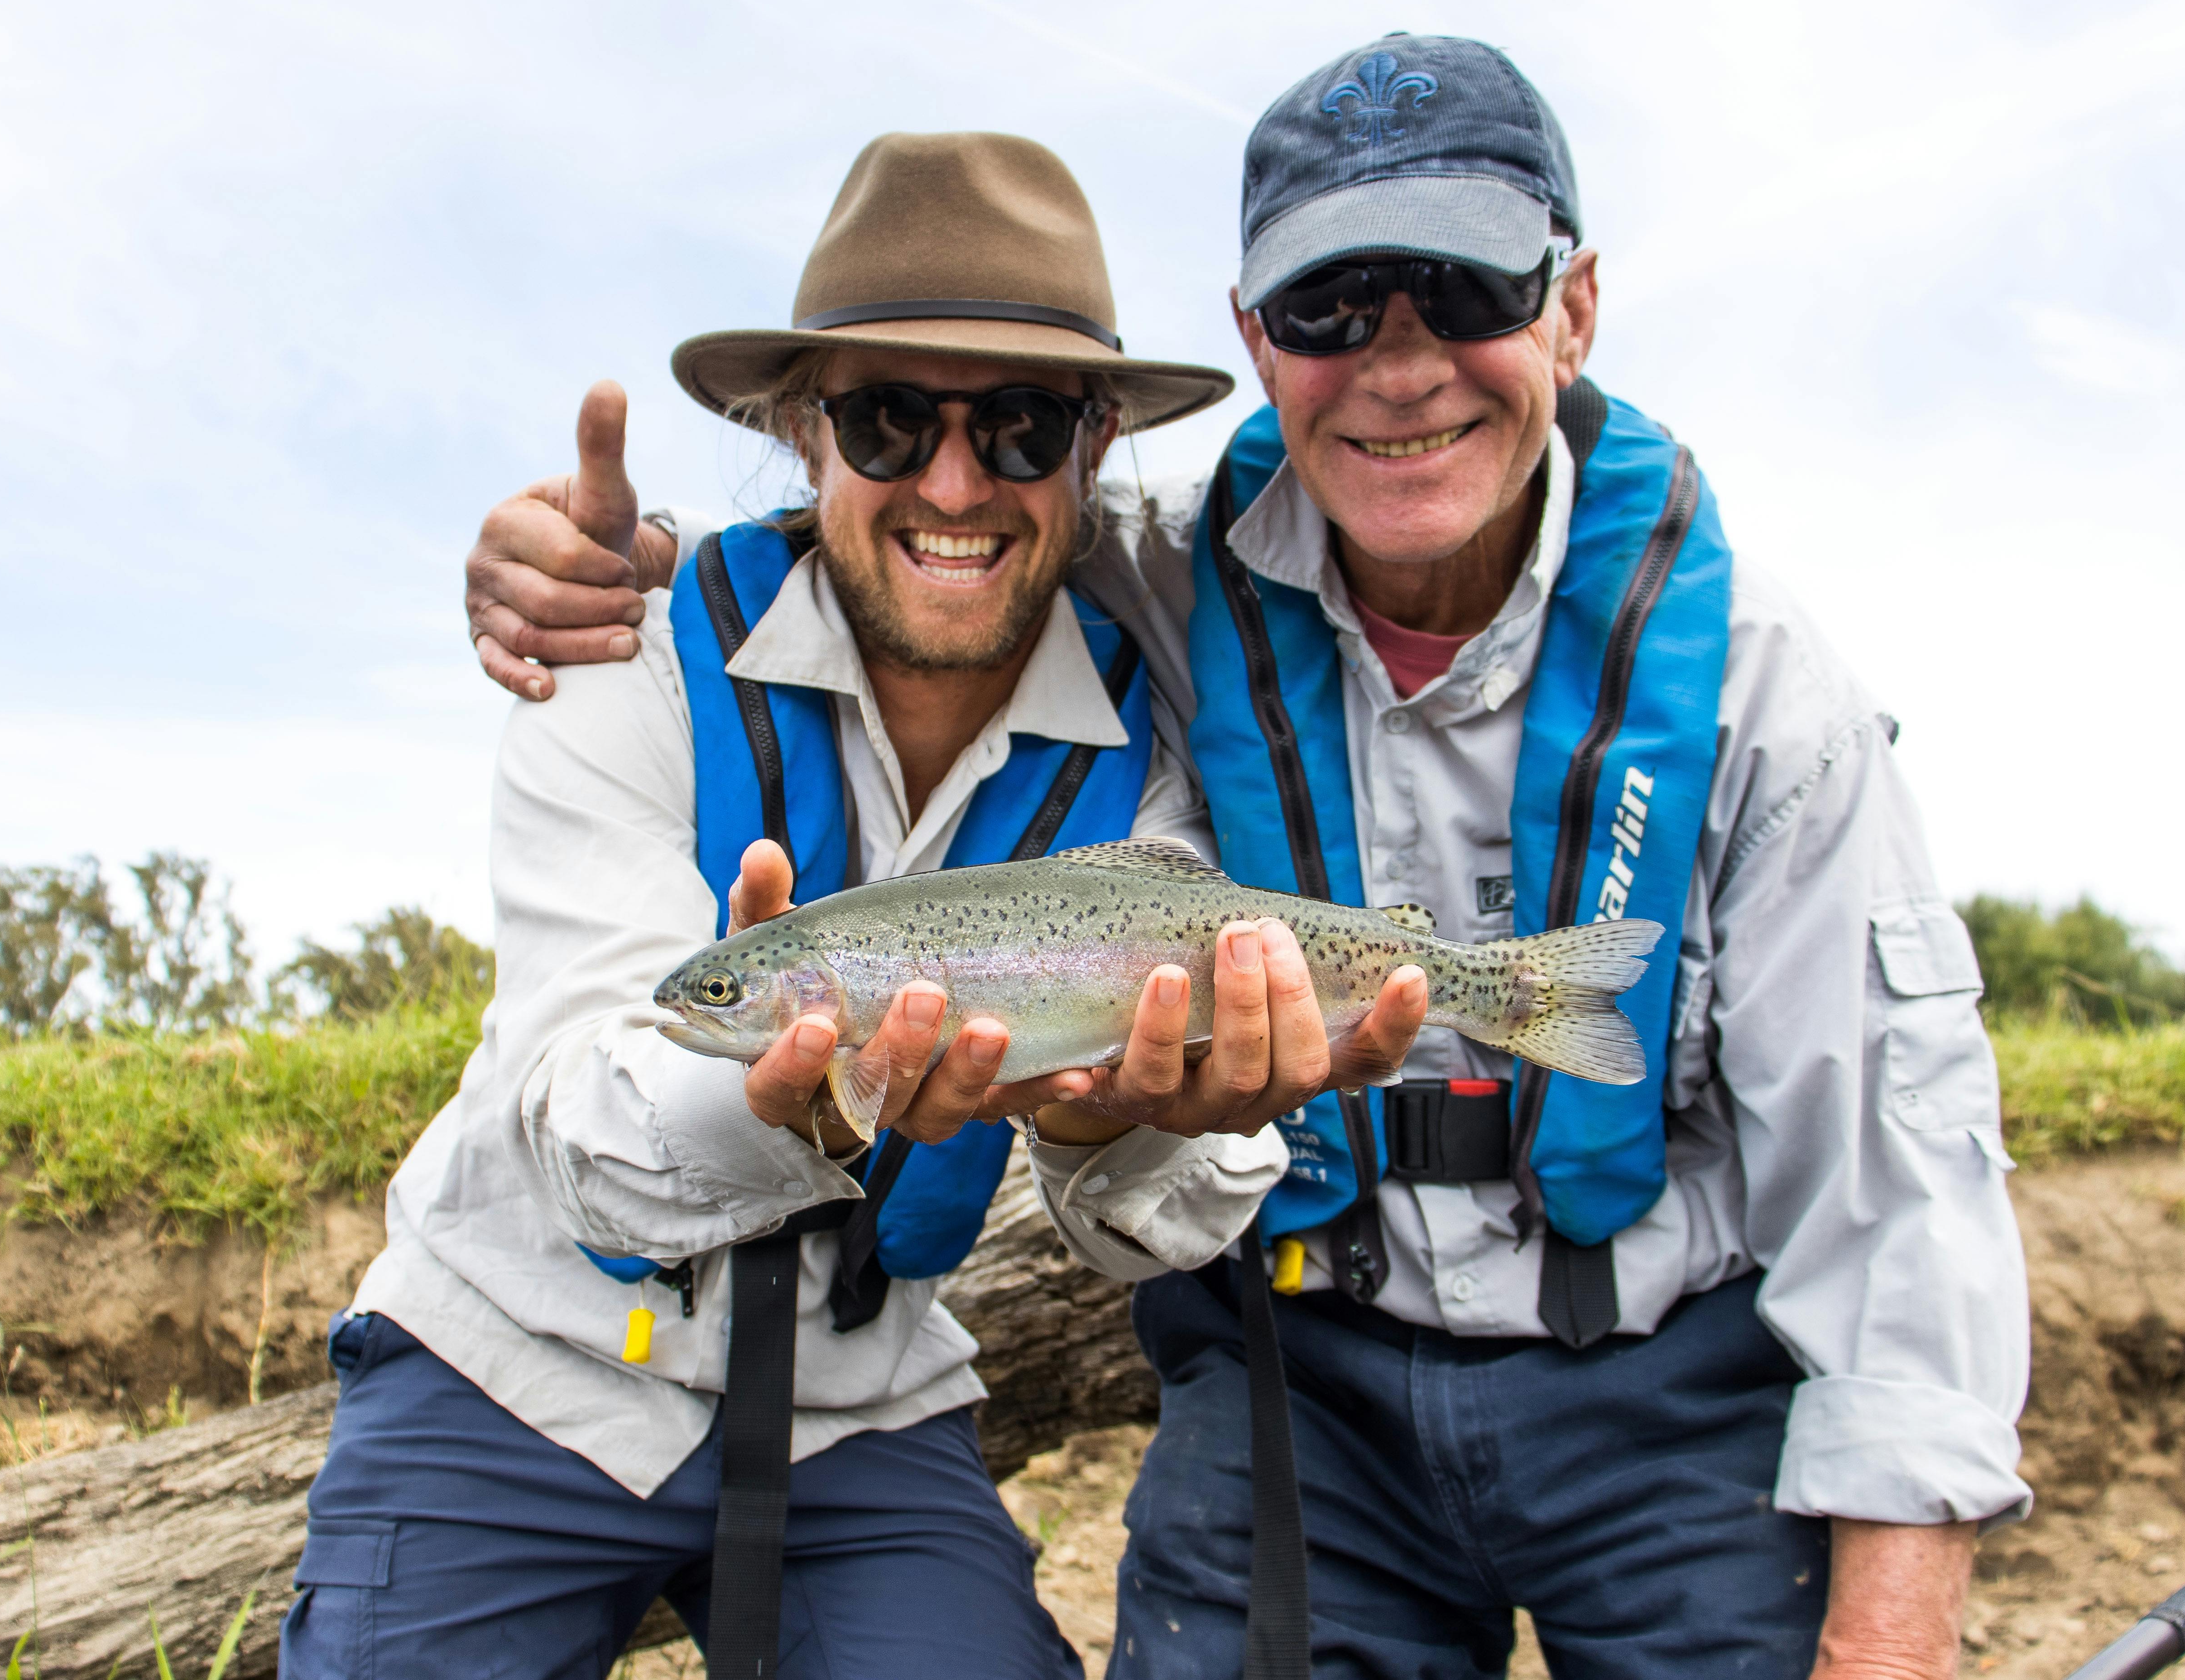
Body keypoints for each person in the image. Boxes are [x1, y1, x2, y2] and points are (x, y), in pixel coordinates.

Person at [467, 37, 2032, 1680]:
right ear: (1256, 340)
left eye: (1467, 291)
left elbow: (1904, 1182)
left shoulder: (1770, 699)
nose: (1399, 368)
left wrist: (1891, 1642)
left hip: (1668, 1389)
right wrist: (614, 571)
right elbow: (928, 543)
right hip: (1297, 1368)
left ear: (1572, 309)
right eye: (1330, 310)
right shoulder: (1148, 566)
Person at [289, 130, 1426, 1680]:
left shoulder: (1158, 737)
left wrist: (1123, 1121)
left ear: (1094, 444)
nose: (954, 483)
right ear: (802, 429)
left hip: (860, 1405)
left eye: (1021, 424)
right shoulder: (620, 653)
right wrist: (789, 1098)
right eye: (888, 418)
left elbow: (1154, 1224)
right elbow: (579, 1120)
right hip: (511, 1358)